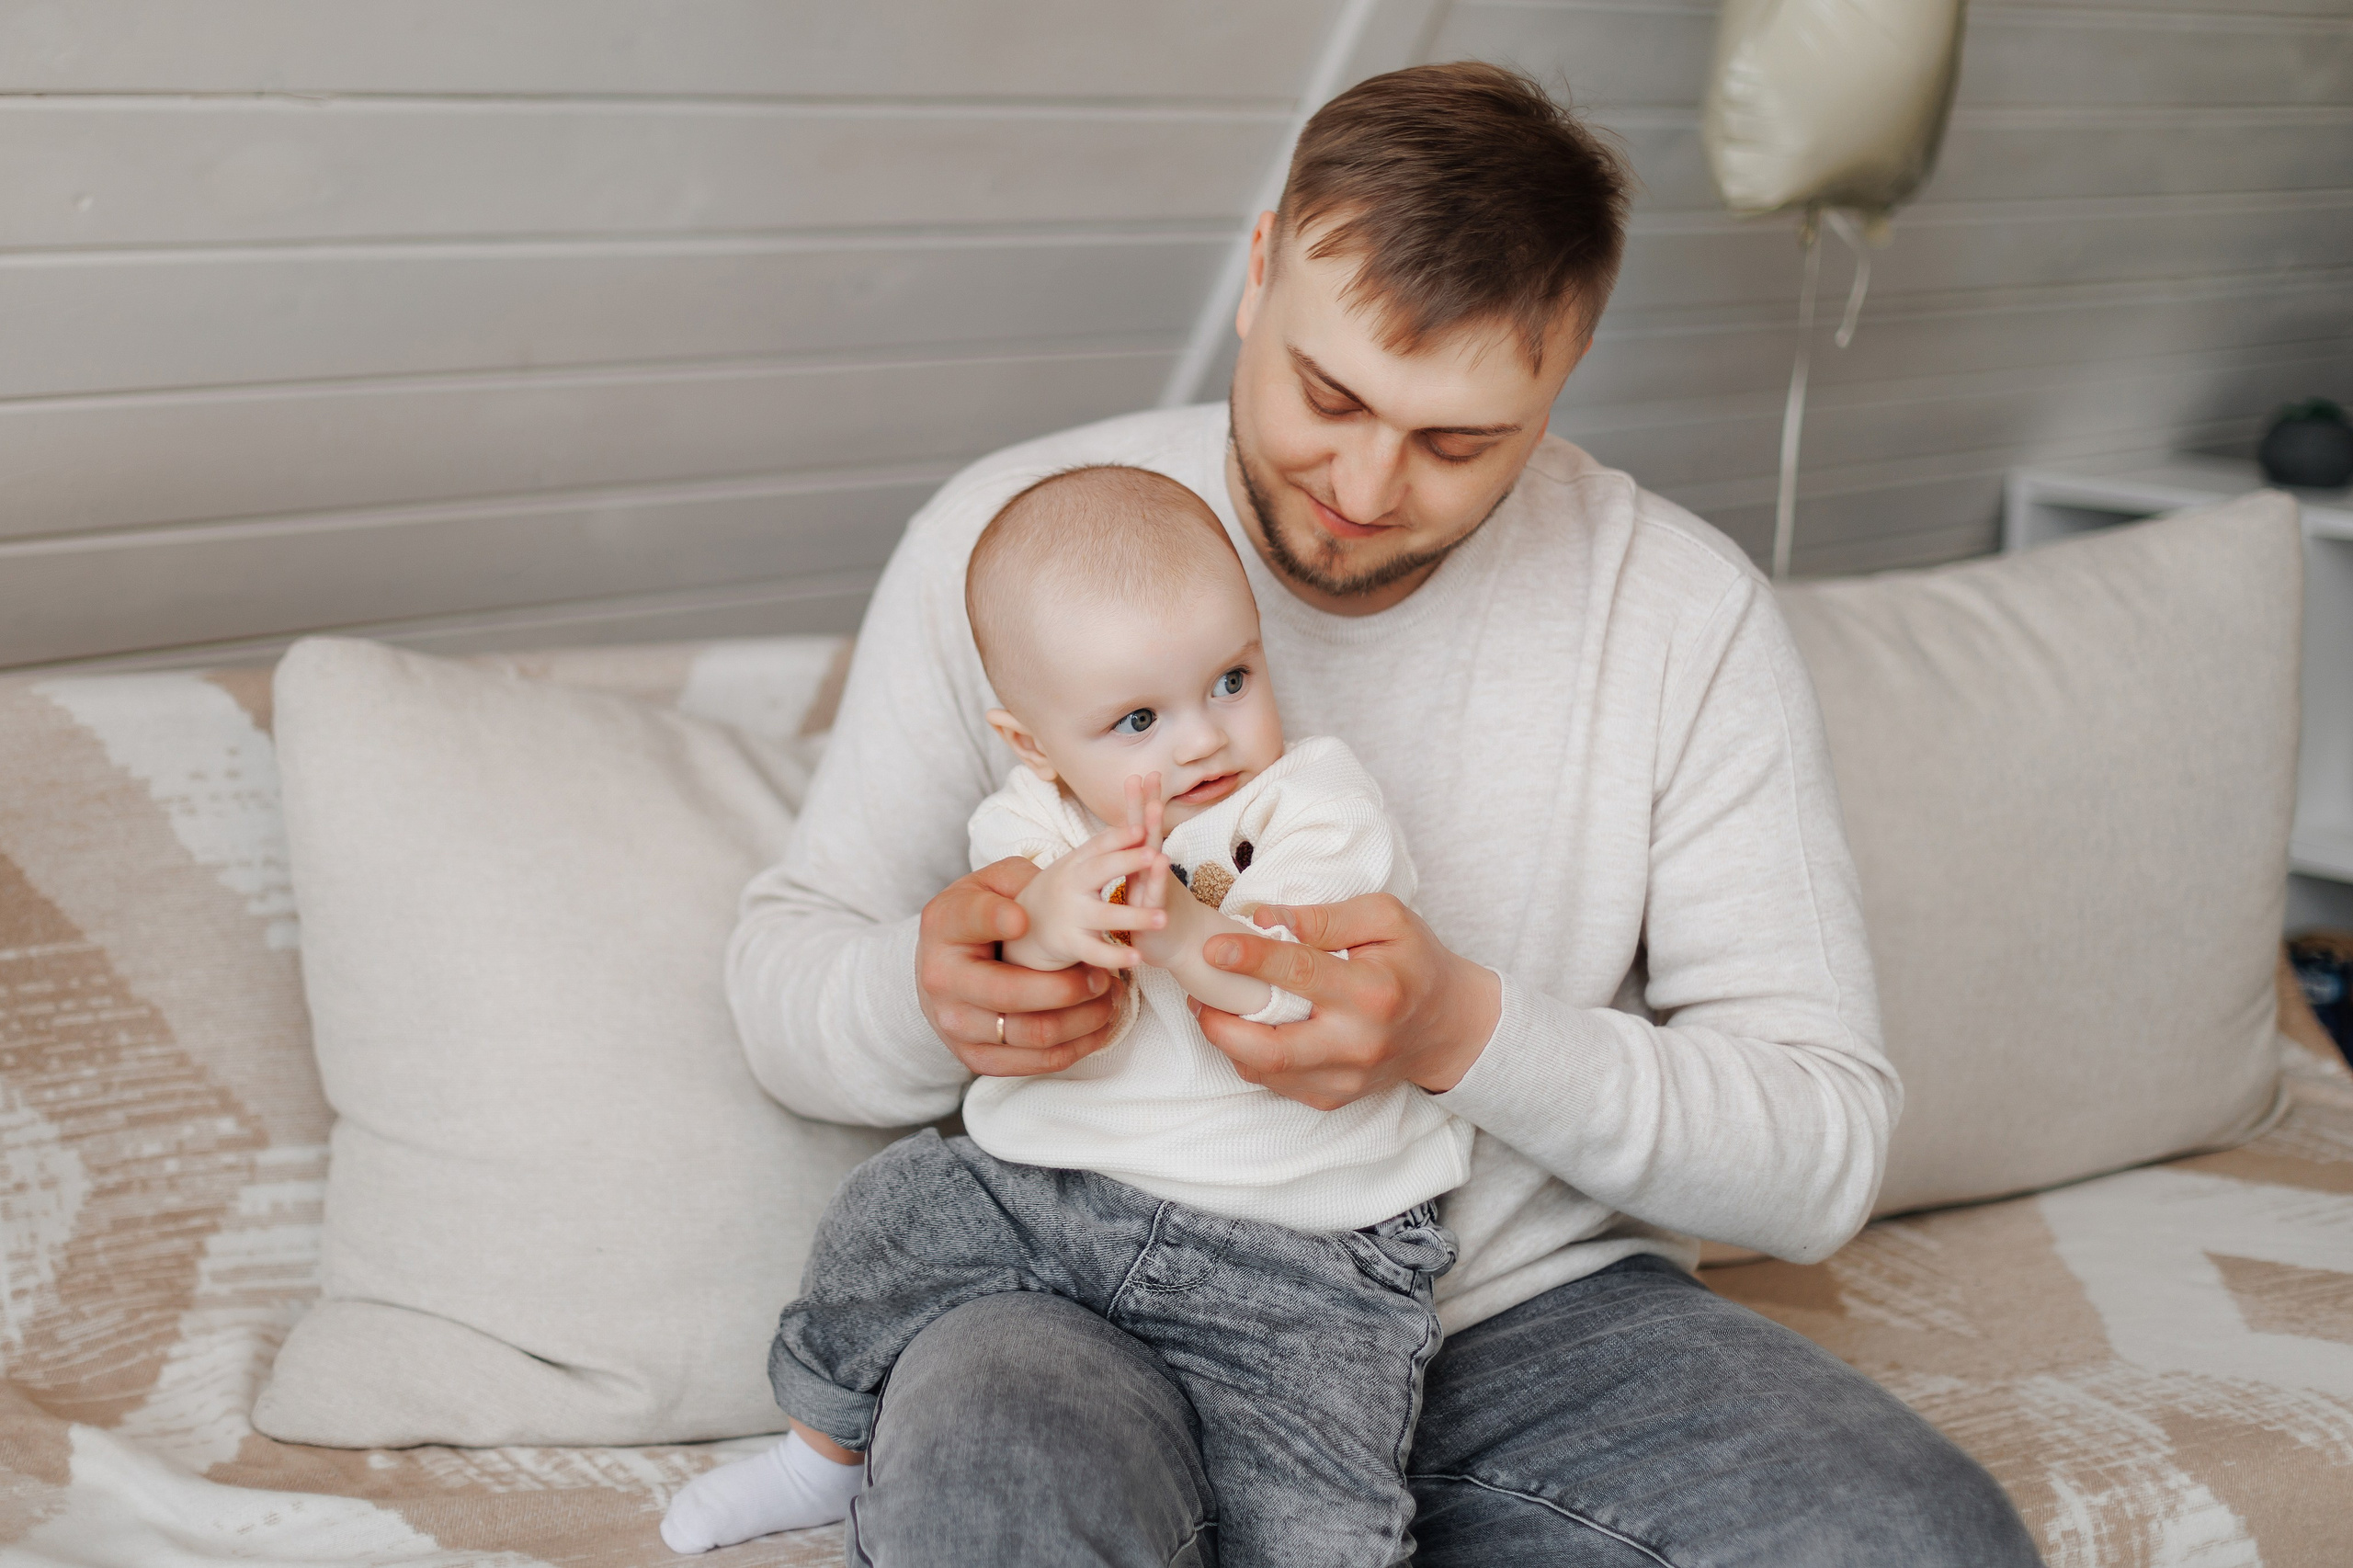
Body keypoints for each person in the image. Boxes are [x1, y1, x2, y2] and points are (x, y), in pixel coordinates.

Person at [724, 60, 2043, 1568]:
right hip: (1072, 1283)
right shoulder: (1012, 543)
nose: (1362, 483)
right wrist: (930, 989)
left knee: (1920, 1537)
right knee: (1000, 1493)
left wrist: (1460, 1033)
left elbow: (1821, 1153)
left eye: (1458, 440)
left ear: (1568, 363)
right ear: (1260, 269)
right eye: (1329, 395)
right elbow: (783, 981)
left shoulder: (1681, 617)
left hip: (1525, 1321)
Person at [665, 464, 1468, 1563]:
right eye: (1139, 717)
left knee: (1316, 1518)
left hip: (1304, 1255)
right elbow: (1008, 964)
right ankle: (821, 1449)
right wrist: (1046, 923)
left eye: (1231, 679)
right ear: (1034, 743)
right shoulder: (1027, 819)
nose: (1200, 740)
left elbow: (1296, 991)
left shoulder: (1311, 803)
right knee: (888, 1212)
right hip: (1053, 1198)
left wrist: (1180, 928)